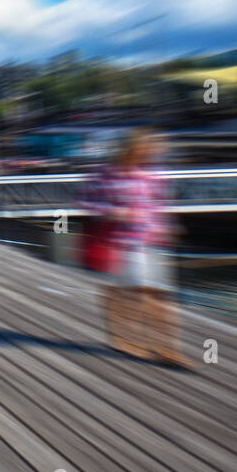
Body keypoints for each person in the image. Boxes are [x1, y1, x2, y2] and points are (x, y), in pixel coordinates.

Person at [83, 130, 188, 367]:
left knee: (160, 295)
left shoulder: (152, 175)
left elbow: (157, 205)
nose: (153, 153)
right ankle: (125, 340)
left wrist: (168, 226)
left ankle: (166, 348)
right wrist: (113, 211)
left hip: (153, 240)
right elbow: (86, 203)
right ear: (131, 148)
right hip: (122, 242)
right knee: (136, 293)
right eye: (148, 148)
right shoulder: (106, 174)